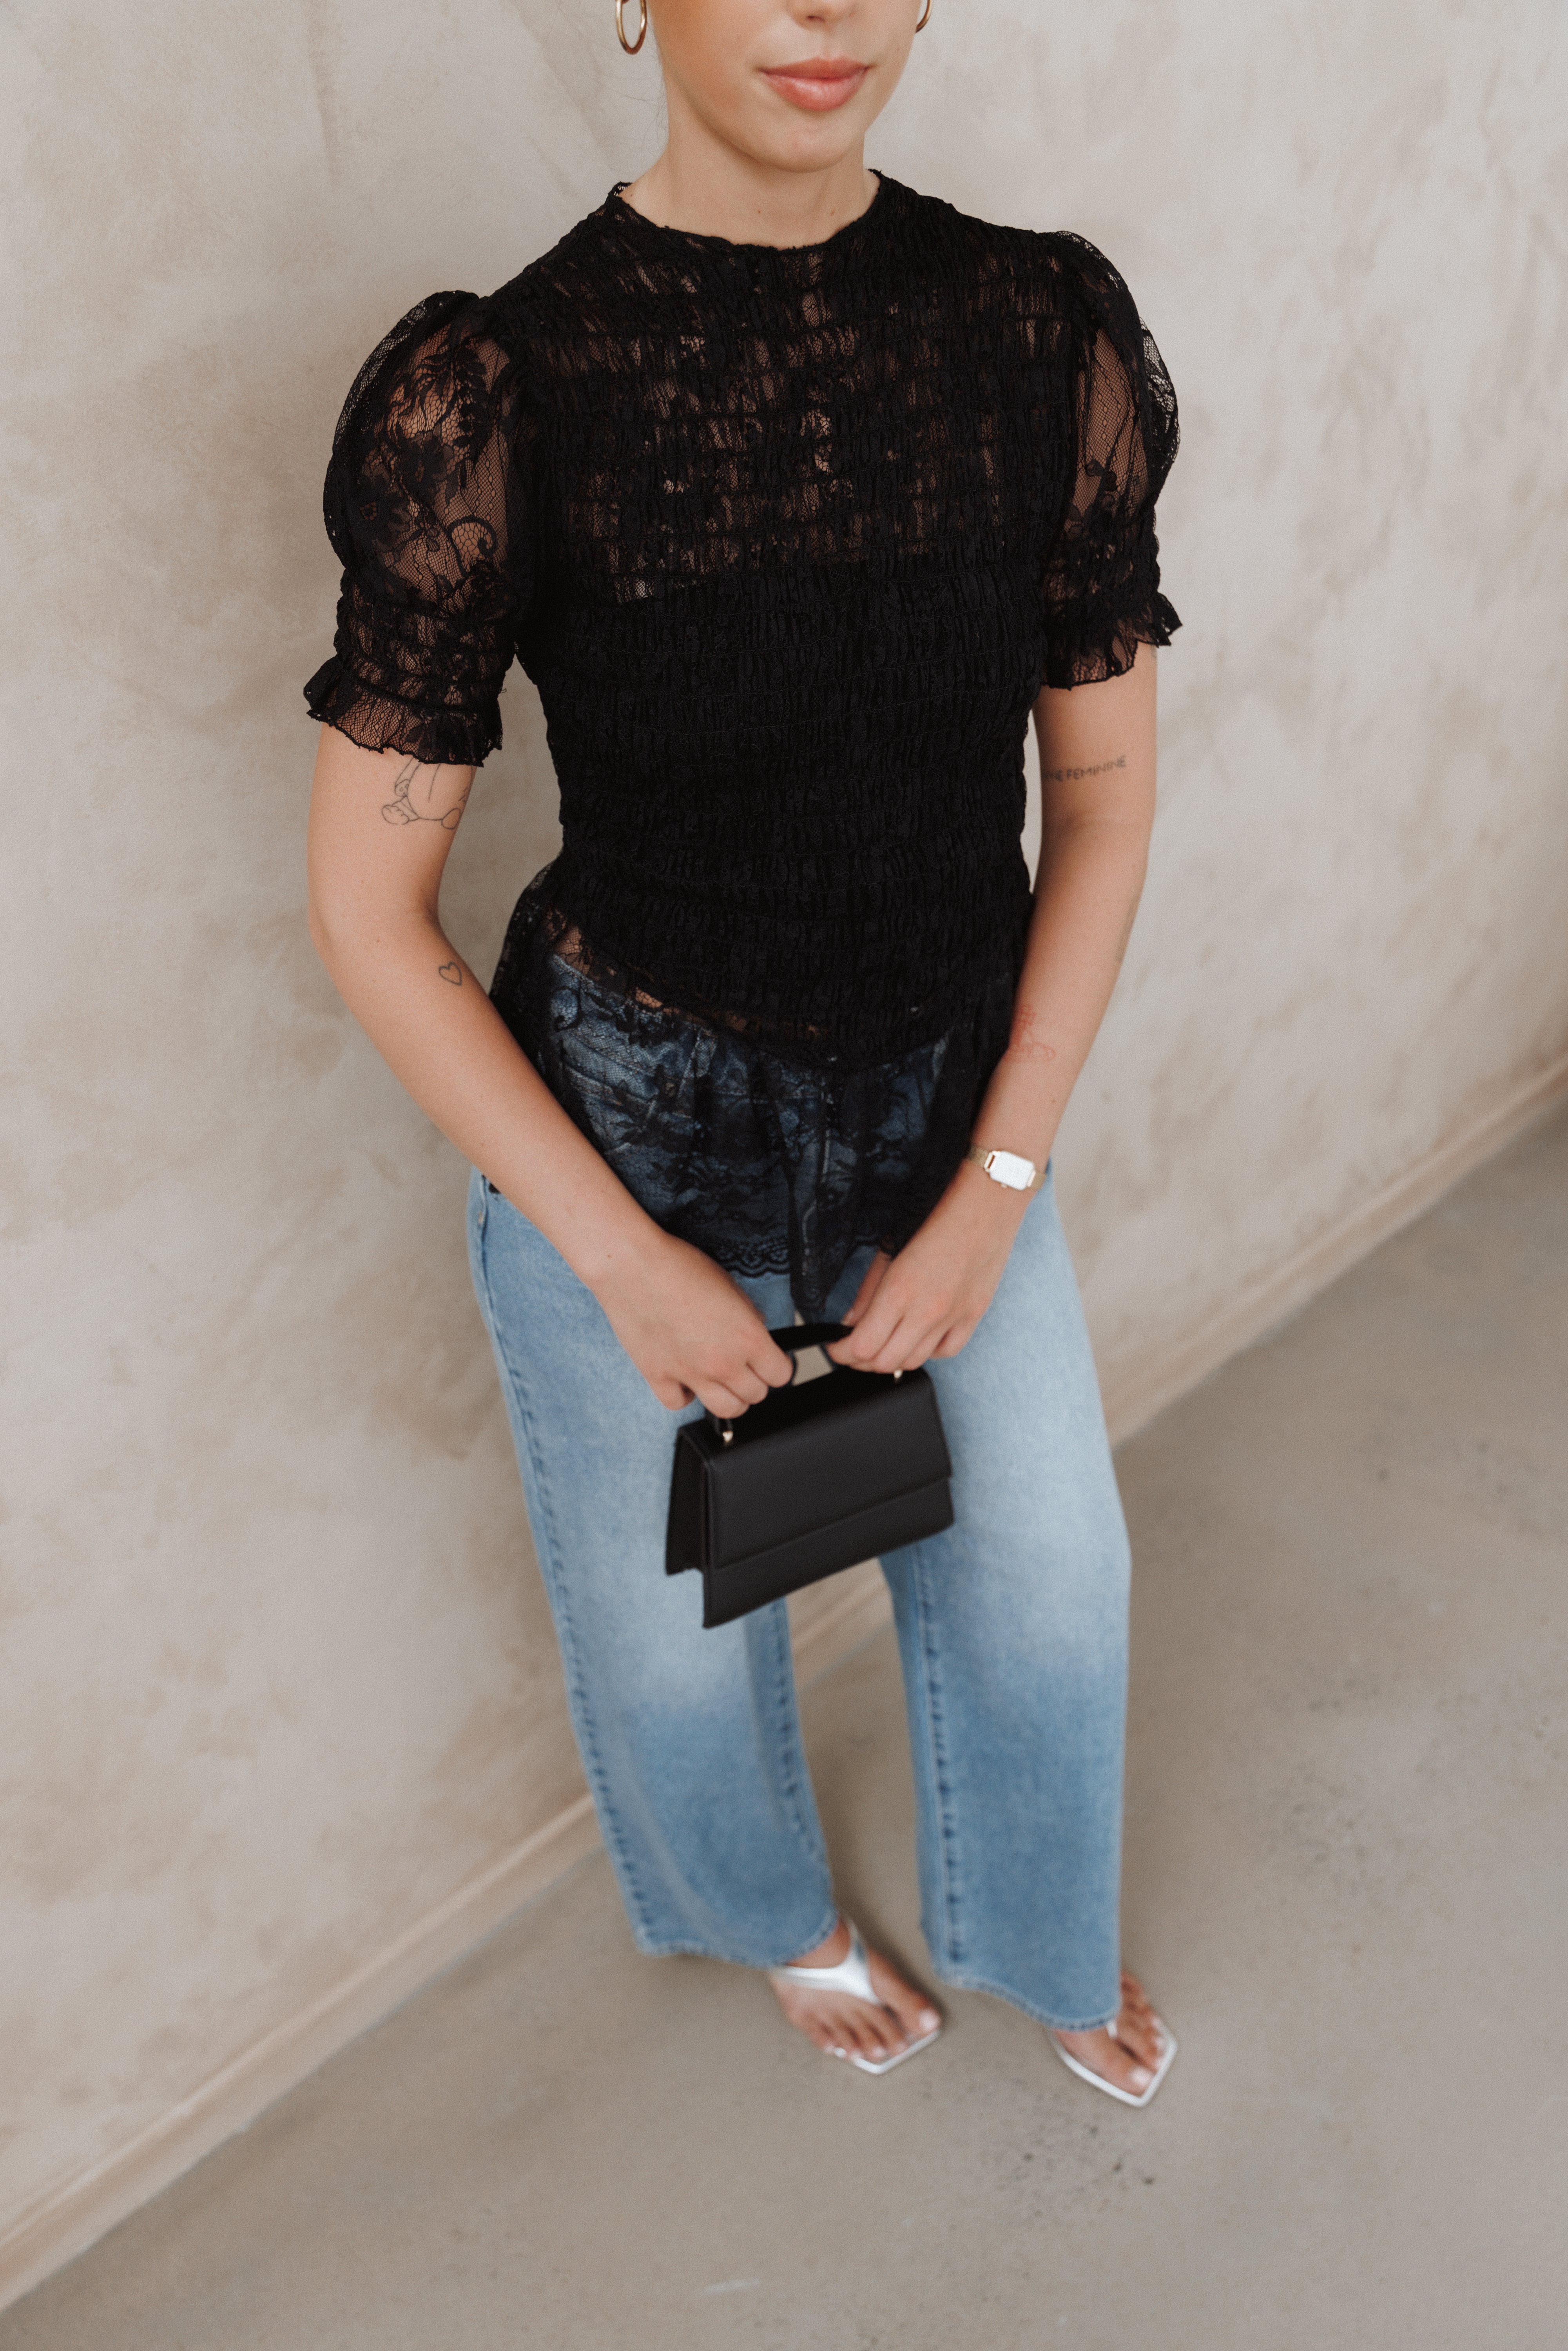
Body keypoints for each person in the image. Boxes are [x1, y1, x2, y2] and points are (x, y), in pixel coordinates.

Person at [305, 0, 1180, 2102]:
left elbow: (1103, 803)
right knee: (678, 1657)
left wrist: (997, 1187)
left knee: (1058, 1590)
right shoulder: (495, 388)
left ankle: (1039, 1929)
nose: (827, 11)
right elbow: (367, 912)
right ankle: (769, 1916)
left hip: (950, 1105)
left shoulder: (1038, 328)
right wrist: (620, 1262)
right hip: (628, 1132)